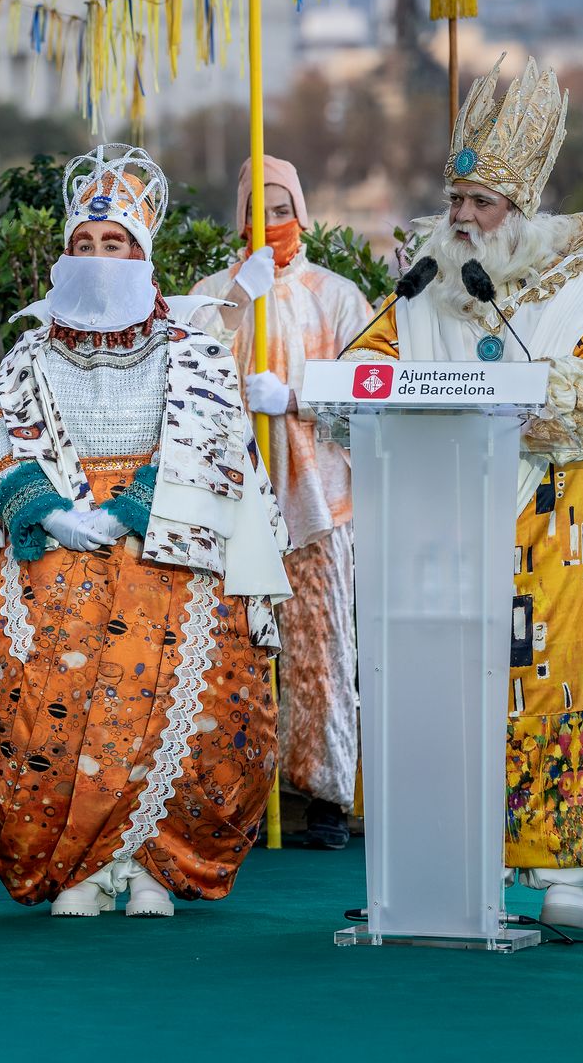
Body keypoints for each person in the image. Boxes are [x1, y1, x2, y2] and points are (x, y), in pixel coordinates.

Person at [347, 56, 583, 928]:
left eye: (482, 205)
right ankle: (455, 859)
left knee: (563, 684)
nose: (465, 219)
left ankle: (566, 876)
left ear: (519, 212)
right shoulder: (420, 289)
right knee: (452, 686)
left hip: (560, 525)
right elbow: (365, 370)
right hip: (449, 518)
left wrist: (534, 400)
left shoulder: (574, 289)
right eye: (457, 203)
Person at [0, 144, 292, 916]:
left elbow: (213, 439)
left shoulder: (193, 347)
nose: (100, 255)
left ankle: (147, 863)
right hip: (57, 536)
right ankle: (77, 867)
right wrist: (51, 512)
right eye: (85, 243)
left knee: (177, 692)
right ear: (65, 253)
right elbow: (3, 437)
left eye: (116, 245)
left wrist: (128, 511)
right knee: (47, 691)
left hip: (166, 532)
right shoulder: (30, 350)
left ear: (143, 255)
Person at [189, 156, 371, 849]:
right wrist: (238, 302)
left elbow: (364, 394)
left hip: (319, 502)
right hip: (233, 500)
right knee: (231, 651)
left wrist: (295, 399)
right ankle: (231, 795)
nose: (269, 222)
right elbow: (186, 378)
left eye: (281, 205)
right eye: (255, 209)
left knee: (319, 651)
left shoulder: (338, 296)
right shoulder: (213, 294)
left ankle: (324, 794)